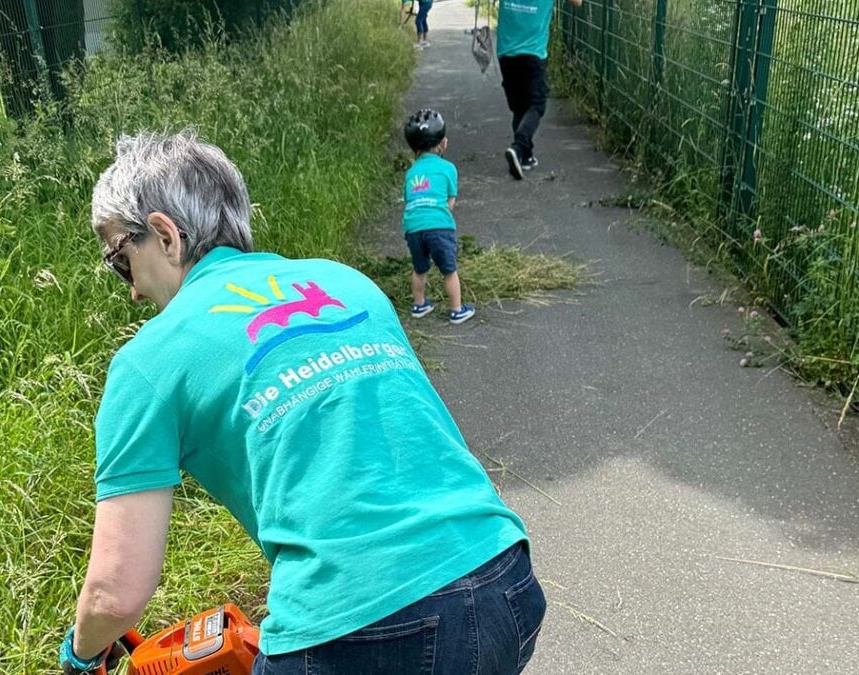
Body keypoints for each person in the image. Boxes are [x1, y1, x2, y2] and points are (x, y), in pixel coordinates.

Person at [58, 131, 545, 675]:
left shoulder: (149, 360)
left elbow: (116, 596)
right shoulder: (345, 283)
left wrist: (81, 654)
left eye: (120, 260)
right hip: (504, 578)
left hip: (359, 627)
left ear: (164, 235)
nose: (131, 290)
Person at [402, 109, 475, 325]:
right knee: (449, 270)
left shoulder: (411, 172)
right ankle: (456, 309)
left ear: (414, 149)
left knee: (420, 268)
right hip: (439, 226)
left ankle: (419, 305)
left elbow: (409, 200)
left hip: (413, 226)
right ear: (444, 143)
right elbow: (449, 201)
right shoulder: (448, 168)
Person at [498, 0, 583, 180]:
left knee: (520, 106)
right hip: (533, 53)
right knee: (536, 104)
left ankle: (525, 157)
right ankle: (518, 147)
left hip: (506, 51)